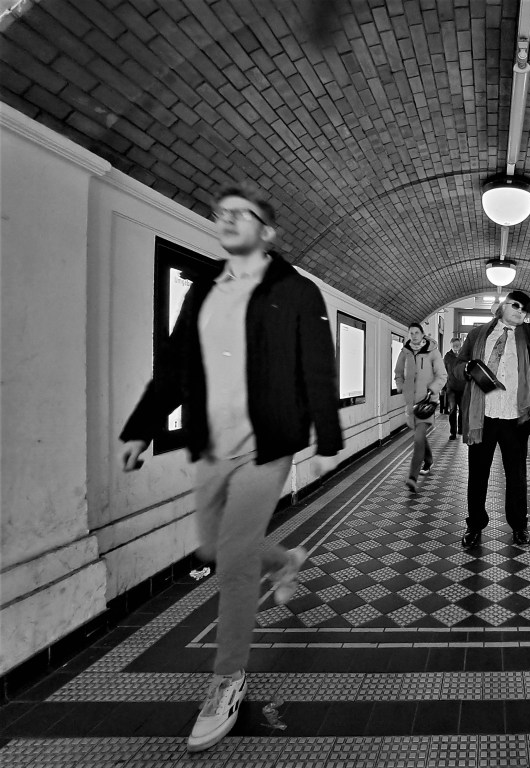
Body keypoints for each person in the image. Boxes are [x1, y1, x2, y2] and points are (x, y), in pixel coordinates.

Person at [118, 180, 343, 753]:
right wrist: (142, 427)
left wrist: (327, 438)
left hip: (266, 445)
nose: (227, 219)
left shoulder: (296, 291)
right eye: (222, 212)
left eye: (241, 214)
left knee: (236, 562)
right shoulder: (203, 289)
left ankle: (227, 680)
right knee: (212, 548)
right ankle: (286, 560)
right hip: (212, 443)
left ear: (267, 232)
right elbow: (174, 364)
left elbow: (317, 365)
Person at [454, 290, 530, 548]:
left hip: (515, 418)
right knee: (478, 475)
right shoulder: (478, 334)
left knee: (517, 476)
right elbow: (457, 365)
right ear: (502, 307)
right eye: (516, 306)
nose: (520, 311)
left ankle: (519, 525)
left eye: (524, 309)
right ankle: (475, 525)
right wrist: (466, 368)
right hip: (483, 417)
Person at [394, 322, 446, 492]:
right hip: (410, 403)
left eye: (417, 332)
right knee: (420, 436)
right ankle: (428, 460)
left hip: (426, 402)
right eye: (411, 333)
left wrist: (432, 390)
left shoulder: (433, 352)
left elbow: (442, 375)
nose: (414, 335)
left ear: (423, 334)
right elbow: (398, 373)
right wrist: (401, 386)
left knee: (418, 439)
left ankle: (412, 477)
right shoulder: (405, 352)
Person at [443, 336, 465, 439]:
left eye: (458, 345)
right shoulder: (447, 357)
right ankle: (453, 432)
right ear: (451, 345)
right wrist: (443, 388)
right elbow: (443, 372)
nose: (456, 347)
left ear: (460, 345)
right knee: (452, 409)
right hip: (451, 387)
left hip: (463, 387)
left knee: (462, 410)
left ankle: (460, 428)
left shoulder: (464, 356)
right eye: (454, 345)